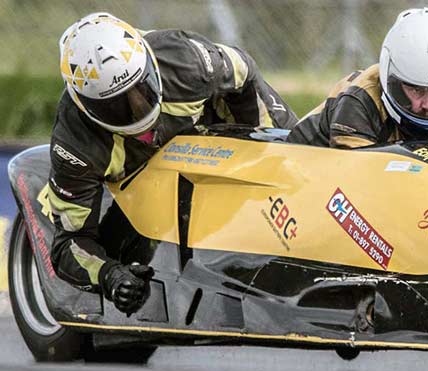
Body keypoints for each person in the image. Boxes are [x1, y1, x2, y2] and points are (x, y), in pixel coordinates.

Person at [49, 12, 298, 314]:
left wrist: (271, 154)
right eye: (115, 104)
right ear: (84, 104)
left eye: (141, 89)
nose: (137, 109)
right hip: (137, 187)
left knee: (294, 158)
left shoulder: (187, 60)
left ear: (149, 68)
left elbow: (243, 70)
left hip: (208, 135)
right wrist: (111, 276)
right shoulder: (74, 144)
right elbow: (68, 244)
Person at [287, 7, 428, 148]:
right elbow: (356, 186)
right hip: (302, 174)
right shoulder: (360, 101)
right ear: (390, 78)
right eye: (416, 89)